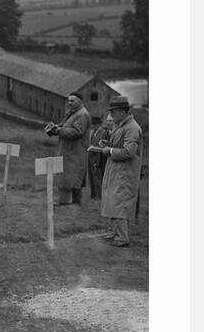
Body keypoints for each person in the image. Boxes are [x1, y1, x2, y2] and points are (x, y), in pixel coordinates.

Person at [99, 96, 143, 247]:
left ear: (124, 112)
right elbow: (119, 144)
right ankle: (116, 233)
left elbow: (128, 153)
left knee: (119, 203)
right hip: (115, 170)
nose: (111, 116)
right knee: (112, 201)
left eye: (114, 112)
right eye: (111, 112)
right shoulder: (119, 125)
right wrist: (108, 144)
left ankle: (122, 238)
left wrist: (110, 150)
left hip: (125, 173)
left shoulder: (132, 128)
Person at [45, 92, 91, 205]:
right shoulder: (74, 112)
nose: (69, 103)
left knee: (68, 177)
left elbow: (77, 132)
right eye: (69, 100)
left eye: (72, 101)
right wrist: (56, 127)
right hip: (69, 151)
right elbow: (66, 125)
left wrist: (59, 131)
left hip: (75, 152)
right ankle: (75, 203)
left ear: (80, 101)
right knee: (71, 177)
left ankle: (64, 202)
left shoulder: (82, 114)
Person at [87, 113, 113, 199]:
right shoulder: (92, 133)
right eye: (92, 124)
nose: (93, 126)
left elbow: (102, 145)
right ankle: (93, 195)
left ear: (99, 124)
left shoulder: (102, 133)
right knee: (91, 178)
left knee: (98, 179)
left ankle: (99, 196)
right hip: (90, 157)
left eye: (95, 124)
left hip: (98, 158)